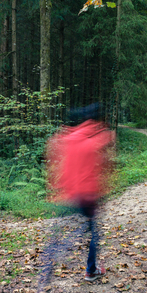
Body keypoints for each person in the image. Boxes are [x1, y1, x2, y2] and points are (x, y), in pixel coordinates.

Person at [46, 104, 115, 281]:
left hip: (69, 194)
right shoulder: (98, 139)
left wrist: (55, 186)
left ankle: (47, 268)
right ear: (95, 119)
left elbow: (54, 156)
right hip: (88, 196)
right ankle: (91, 271)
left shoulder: (69, 137)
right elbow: (104, 167)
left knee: (65, 232)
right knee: (92, 233)